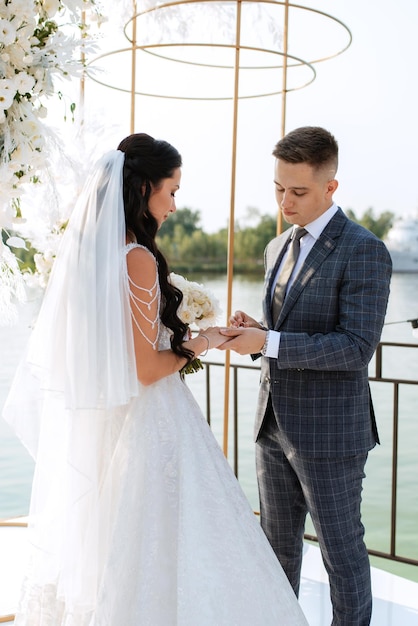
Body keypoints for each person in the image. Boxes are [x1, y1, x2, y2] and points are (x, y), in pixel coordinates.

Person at [3, 133, 308, 625]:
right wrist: (205, 340)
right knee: (171, 538)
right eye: (172, 191)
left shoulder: (91, 258)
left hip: (108, 421)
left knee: (118, 542)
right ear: (143, 189)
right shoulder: (137, 260)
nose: (173, 205)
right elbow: (146, 370)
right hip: (151, 424)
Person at [219, 126, 392, 625]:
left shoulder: (363, 249)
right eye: (278, 188)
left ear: (330, 187)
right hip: (271, 424)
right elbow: (286, 330)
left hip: (331, 433)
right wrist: (258, 331)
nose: (284, 201)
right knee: (276, 548)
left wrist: (269, 342)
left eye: (297, 191)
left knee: (342, 553)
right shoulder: (276, 248)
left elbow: (356, 348)